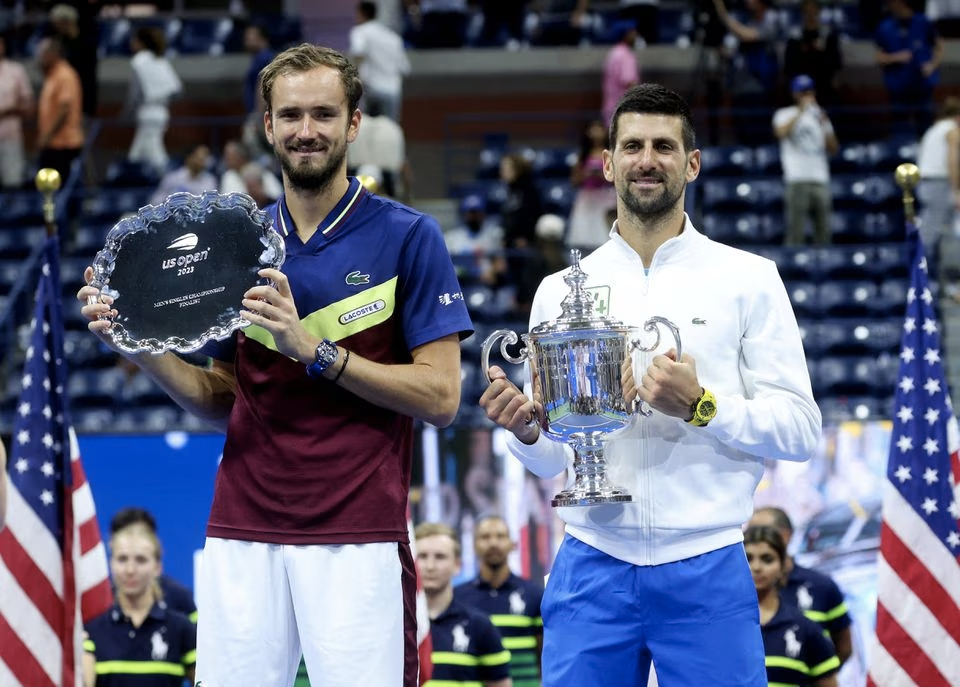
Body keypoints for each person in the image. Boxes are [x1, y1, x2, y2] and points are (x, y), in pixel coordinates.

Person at [78, 43, 473, 687]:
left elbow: (441, 397)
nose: (306, 131)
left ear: (353, 123)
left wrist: (313, 350)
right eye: (290, 116)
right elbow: (221, 399)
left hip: (358, 531)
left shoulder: (408, 236)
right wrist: (138, 345)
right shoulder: (232, 244)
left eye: (323, 114)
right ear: (268, 126)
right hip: (242, 526)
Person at [479, 83, 821, 686]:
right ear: (607, 163)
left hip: (707, 564)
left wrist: (703, 405)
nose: (647, 160)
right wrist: (529, 431)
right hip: (591, 563)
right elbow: (553, 457)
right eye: (632, 145)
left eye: (664, 146)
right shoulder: (559, 292)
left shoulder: (749, 279)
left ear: (691, 163)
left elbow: (800, 430)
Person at [82, 519, 197, 687]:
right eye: (122, 559)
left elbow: (206, 682)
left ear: (157, 567)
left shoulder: (181, 628)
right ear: (111, 564)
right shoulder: (92, 630)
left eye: (141, 560)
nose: (130, 570)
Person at [749, 506, 853, 665]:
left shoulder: (821, 586)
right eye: (749, 532)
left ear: (785, 536)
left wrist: (817, 675)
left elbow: (844, 648)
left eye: (762, 531)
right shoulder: (736, 593)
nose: (754, 538)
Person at [415, 522, 513, 687]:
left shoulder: (479, 626)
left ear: (457, 565)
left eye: (440, 557)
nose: (430, 566)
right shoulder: (396, 626)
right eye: (422, 557)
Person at [743, 525, 841, 686]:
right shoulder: (723, 627)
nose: (756, 567)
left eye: (767, 559)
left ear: (783, 567)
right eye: (748, 558)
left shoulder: (805, 629)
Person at [454, 515, 544, 687]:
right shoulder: (458, 597)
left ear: (512, 544)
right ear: (474, 545)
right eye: (485, 537)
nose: (493, 543)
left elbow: (545, 655)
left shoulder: (535, 594)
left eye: (500, 536)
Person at [773, 74, 839, 246]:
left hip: (820, 179)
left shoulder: (820, 115)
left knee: (824, 234)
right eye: (802, 92)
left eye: (808, 91)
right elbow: (780, 132)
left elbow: (833, 148)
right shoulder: (784, 113)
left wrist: (824, 123)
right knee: (796, 234)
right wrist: (801, 112)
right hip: (797, 179)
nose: (806, 95)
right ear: (795, 94)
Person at [109, 507, 198, 622]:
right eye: (123, 558)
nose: (130, 570)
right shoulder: (99, 600)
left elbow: (199, 634)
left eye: (142, 535)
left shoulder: (178, 596)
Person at [712, 0, 781, 145]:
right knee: (742, 138)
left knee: (760, 138)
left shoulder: (771, 17)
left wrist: (722, 13)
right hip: (738, 90)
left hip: (759, 90)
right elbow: (729, 50)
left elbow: (748, 35)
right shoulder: (743, 19)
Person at [875, 0, 942, 138]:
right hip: (898, 88)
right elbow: (879, 57)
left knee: (926, 129)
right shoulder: (885, 26)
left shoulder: (923, 22)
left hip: (922, 86)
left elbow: (939, 47)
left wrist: (932, 65)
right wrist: (896, 57)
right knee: (899, 130)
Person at [123, 26, 182, 176]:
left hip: (147, 112)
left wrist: (125, 113)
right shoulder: (161, 61)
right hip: (162, 111)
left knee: (156, 154)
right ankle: (131, 182)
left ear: (141, 43)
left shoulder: (139, 61)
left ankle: (171, 180)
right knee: (136, 154)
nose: (131, 42)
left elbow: (134, 94)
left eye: (134, 40)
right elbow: (177, 90)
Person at [916, 95, 960, 283]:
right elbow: (952, 160)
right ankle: (924, 278)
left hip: (925, 183)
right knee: (934, 234)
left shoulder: (933, 130)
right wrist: (956, 189)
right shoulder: (952, 130)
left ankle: (938, 280)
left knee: (935, 232)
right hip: (939, 184)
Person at [349, 1, 411, 122]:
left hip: (372, 90)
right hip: (393, 91)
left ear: (362, 13)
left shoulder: (360, 31)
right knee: (390, 131)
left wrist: (353, 83)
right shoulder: (394, 37)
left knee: (369, 132)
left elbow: (358, 55)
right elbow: (405, 69)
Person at [35, 35, 84, 184]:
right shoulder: (52, 75)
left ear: (53, 54)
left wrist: (47, 136)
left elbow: (64, 109)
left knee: (62, 188)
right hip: (53, 144)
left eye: (42, 54)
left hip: (64, 144)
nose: (39, 58)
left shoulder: (64, 75)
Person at [566, 118, 617, 253]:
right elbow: (574, 181)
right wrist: (586, 175)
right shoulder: (582, 155)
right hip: (587, 198)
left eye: (599, 129)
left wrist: (601, 175)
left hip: (606, 197)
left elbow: (617, 178)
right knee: (585, 234)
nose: (596, 133)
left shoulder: (612, 153)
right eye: (592, 129)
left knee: (605, 235)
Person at [782, 0, 843, 112]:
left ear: (818, 12)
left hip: (824, 86)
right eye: (807, 11)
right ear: (802, 13)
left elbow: (836, 63)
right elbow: (789, 66)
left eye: (813, 10)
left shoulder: (828, 36)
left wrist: (822, 51)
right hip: (801, 87)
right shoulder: (795, 37)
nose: (810, 14)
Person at [0, 32, 34, 190]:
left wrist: (8, 110)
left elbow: (28, 107)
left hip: (10, 136)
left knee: (12, 183)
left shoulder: (16, 71)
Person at [149, 143, 217, 205]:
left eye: (205, 158)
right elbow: (155, 201)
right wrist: (169, 202)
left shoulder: (210, 180)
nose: (203, 161)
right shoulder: (172, 178)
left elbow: (212, 205)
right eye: (200, 159)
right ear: (189, 158)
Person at [602, 20, 640, 128]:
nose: (636, 35)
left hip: (611, 109)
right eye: (632, 32)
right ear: (625, 34)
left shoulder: (613, 52)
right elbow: (630, 83)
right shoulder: (625, 54)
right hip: (625, 111)